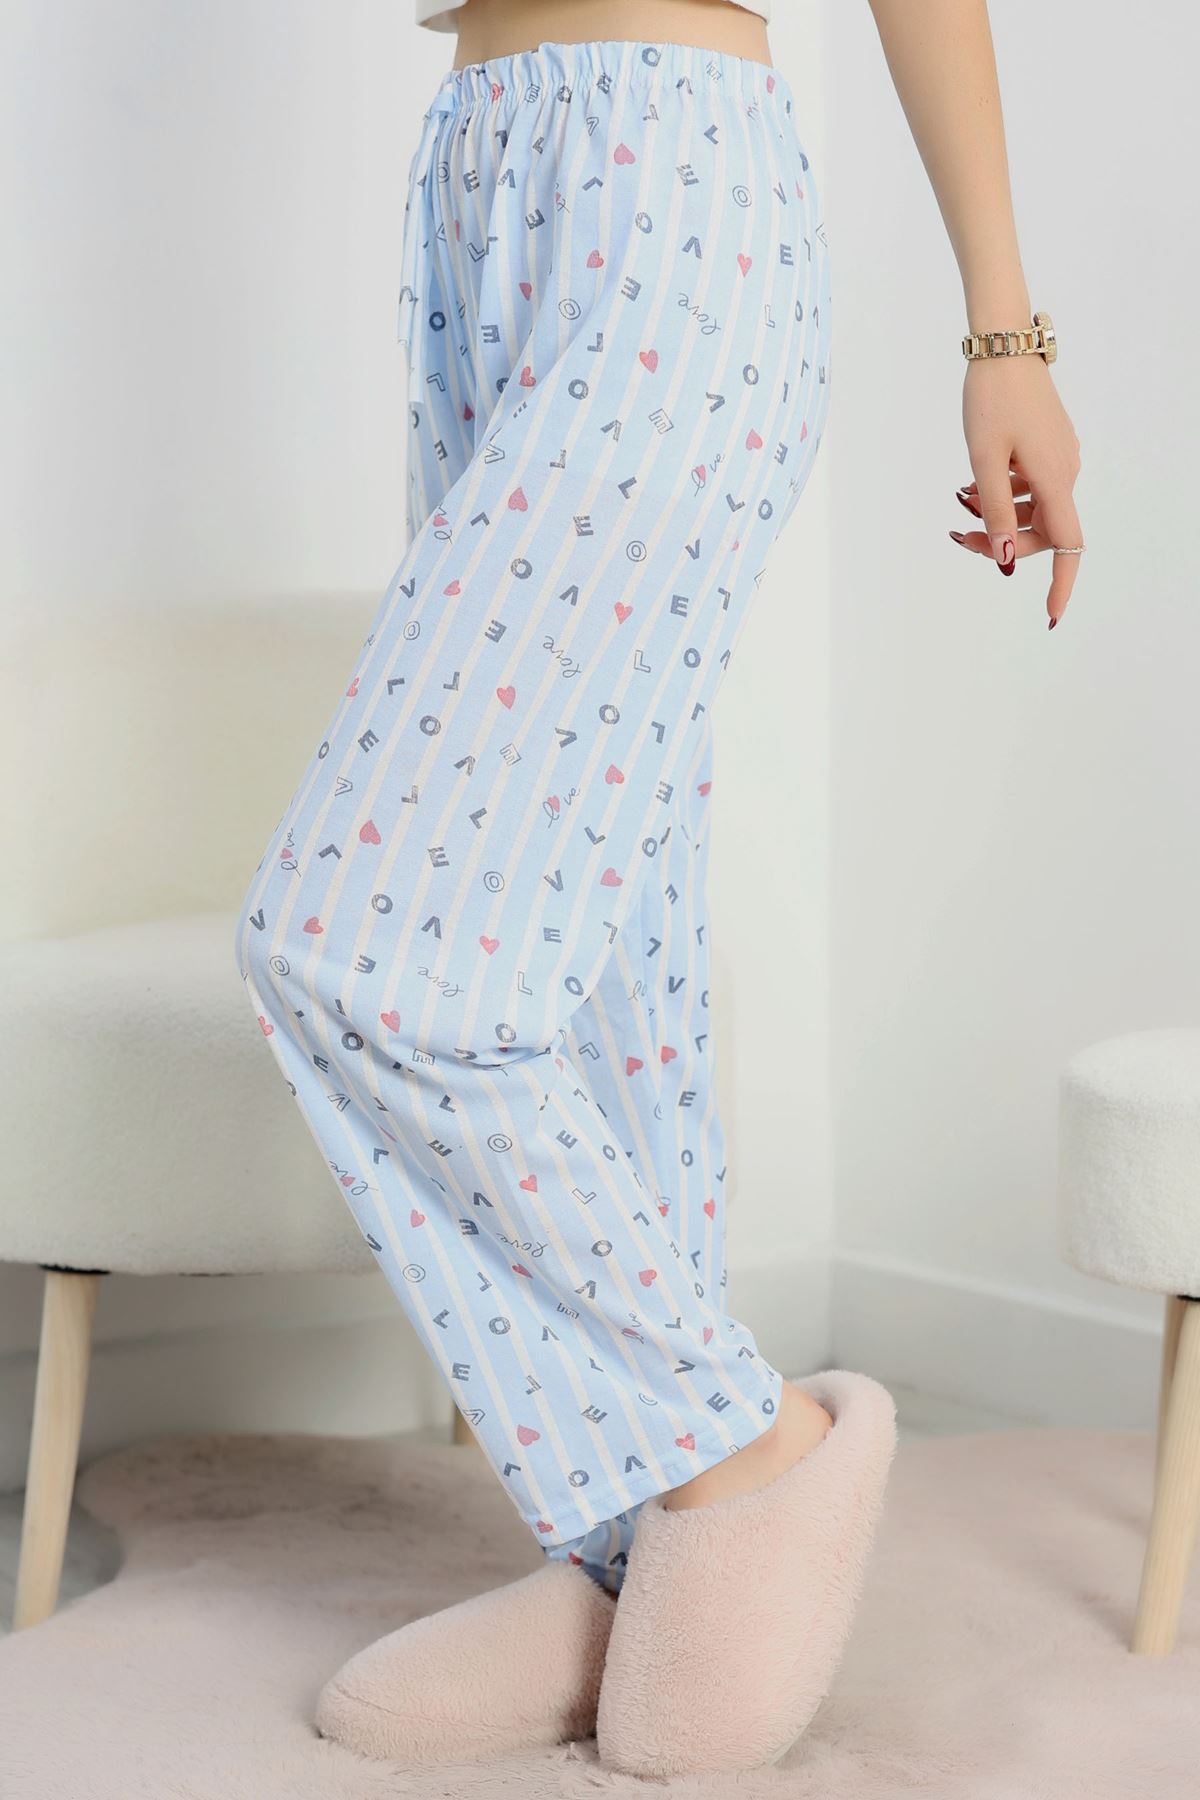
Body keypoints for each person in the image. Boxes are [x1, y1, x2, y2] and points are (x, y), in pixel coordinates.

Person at [234, 0, 1083, 1777]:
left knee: (354, 943)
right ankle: (644, 1555)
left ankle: (745, 1449)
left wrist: (1005, 331)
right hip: (478, 178)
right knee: (600, 937)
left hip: (671, 173)